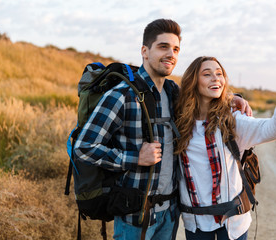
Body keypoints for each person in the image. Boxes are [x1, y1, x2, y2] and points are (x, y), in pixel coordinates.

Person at [73, 19, 251, 240]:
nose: (171, 54)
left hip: (170, 214)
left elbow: (203, 97)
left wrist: (232, 98)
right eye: (163, 47)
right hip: (134, 216)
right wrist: (134, 157)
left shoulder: (173, 93)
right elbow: (84, 147)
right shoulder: (121, 96)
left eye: (176, 49)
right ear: (145, 51)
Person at [175, 56, 276, 240]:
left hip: (232, 223)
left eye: (219, 74)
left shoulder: (232, 120)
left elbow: (274, 130)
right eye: (207, 74)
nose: (215, 78)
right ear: (193, 81)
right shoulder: (179, 121)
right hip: (195, 223)